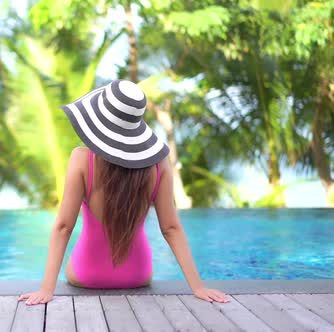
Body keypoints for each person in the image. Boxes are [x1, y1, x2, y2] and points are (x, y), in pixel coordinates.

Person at [19, 79, 229, 305]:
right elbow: (170, 228)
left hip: (87, 275)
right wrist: (198, 286)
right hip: (137, 276)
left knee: (76, 258)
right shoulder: (160, 165)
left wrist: (46, 290)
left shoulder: (82, 159)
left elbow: (63, 226)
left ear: (100, 119)